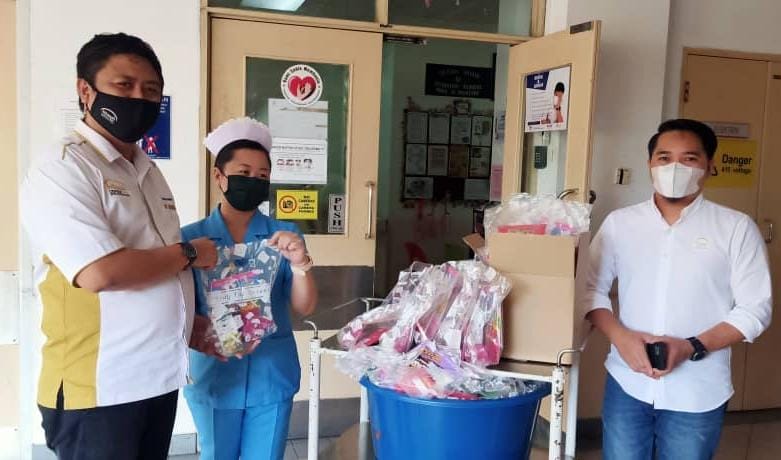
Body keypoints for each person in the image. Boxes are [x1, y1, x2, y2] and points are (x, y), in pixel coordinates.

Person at [20, 33, 218, 460]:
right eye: (124, 86)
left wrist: (186, 323)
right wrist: (190, 253)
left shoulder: (147, 171)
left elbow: (153, 261)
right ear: (85, 90)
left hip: (157, 378)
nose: (139, 99)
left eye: (151, 90)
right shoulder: (64, 167)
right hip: (99, 387)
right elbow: (100, 272)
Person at [584, 119, 772, 459]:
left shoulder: (735, 228)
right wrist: (620, 338)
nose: (674, 167)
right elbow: (589, 288)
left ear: (709, 166)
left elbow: (755, 309)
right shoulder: (621, 224)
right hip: (628, 382)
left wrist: (691, 346)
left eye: (689, 159)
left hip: (698, 389)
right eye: (664, 157)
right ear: (650, 164)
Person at [183, 117, 318, 460]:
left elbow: (304, 307)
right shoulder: (190, 240)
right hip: (214, 374)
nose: (253, 181)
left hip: (270, 373)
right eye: (243, 173)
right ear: (219, 177)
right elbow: (176, 309)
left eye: (262, 176)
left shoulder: (284, 235)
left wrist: (300, 263)